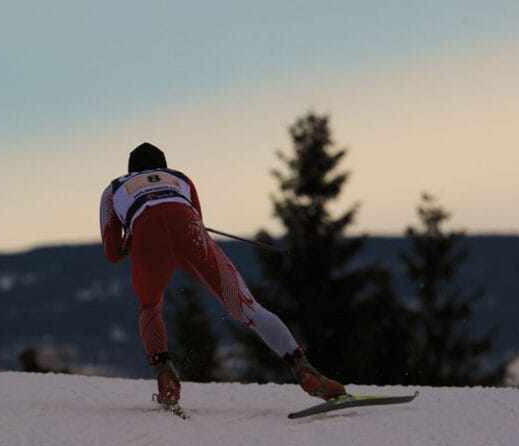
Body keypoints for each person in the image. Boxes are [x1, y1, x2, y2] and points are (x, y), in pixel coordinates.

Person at [99, 142, 345, 407]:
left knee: (150, 306)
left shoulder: (113, 189)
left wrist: (129, 242)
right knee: (250, 309)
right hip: (189, 228)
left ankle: (165, 374)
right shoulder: (180, 177)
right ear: (164, 165)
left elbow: (112, 253)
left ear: (130, 170)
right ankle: (304, 368)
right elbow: (198, 219)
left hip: (148, 240)